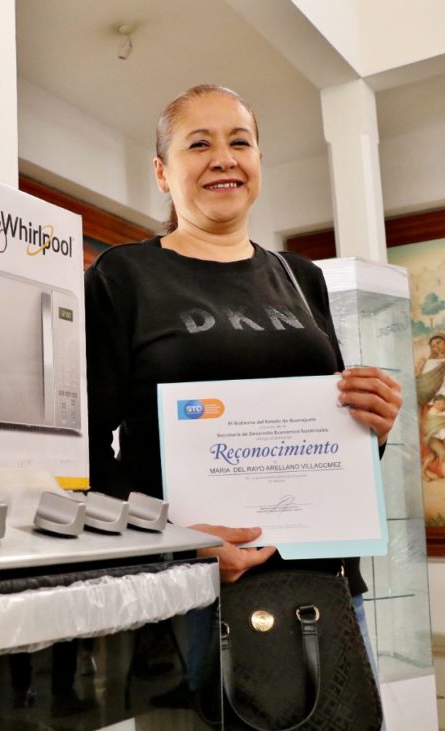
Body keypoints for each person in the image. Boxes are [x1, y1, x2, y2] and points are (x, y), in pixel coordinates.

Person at [84, 83, 402, 708]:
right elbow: (84, 452)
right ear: (162, 172)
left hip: (320, 586)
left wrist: (374, 425)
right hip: (189, 591)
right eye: (198, 144)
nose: (224, 158)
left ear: (258, 160)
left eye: (240, 142)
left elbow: (336, 441)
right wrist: (171, 538)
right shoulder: (123, 276)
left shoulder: (300, 277)